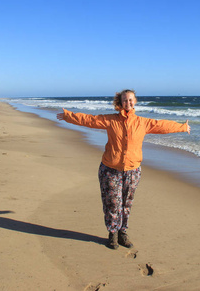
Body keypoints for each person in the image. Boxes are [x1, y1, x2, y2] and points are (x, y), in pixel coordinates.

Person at [57, 89, 190, 249]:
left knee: (126, 204)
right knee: (113, 203)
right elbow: (90, 120)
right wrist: (68, 116)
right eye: (125, 100)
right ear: (120, 103)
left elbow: (161, 125)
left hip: (133, 171)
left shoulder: (142, 122)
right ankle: (112, 234)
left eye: (131, 100)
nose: (128, 103)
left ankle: (122, 233)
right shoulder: (110, 120)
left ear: (135, 101)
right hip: (110, 169)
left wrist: (182, 127)